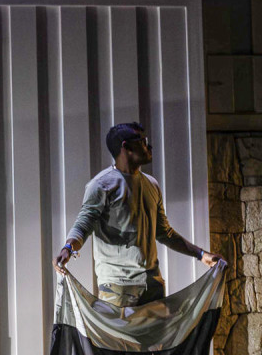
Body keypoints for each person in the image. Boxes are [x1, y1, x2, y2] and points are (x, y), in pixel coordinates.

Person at [53, 122, 222, 310]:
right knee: (122, 340)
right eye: (143, 141)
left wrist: (201, 255)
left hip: (152, 286)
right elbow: (83, 224)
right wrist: (68, 247)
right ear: (126, 147)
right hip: (118, 288)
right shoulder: (102, 185)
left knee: (158, 340)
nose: (149, 147)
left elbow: (164, 232)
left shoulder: (151, 184)